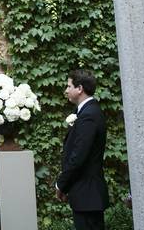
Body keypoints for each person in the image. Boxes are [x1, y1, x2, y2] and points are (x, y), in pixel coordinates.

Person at [55, 69, 108, 230]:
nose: (66, 90)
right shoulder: (85, 112)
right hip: (85, 195)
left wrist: (61, 184)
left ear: (80, 89)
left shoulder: (89, 115)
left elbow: (78, 156)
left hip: (88, 196)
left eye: (69, 86)